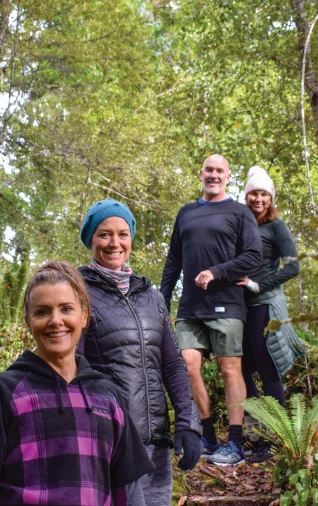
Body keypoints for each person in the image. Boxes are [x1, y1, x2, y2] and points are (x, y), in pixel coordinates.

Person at [0, 261, 154, 505]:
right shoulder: (0, 392)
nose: (55, 321)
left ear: (84, 316)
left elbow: (129, 490)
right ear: (28, 321)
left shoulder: (109, 396)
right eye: (42, 311)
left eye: (66, 309)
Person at [77, 198, 202, 505]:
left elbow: (172, 364)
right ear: (90, 240)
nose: (114, 243)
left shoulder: (152, 296)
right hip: (109, 441)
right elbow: (72, 367)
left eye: (123, 233)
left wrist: (189, 423)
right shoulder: (77, 293)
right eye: (104, 234)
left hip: (155, 443)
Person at [160, 154, 263, 466]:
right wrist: (160, 300)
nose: (214, 175)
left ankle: (234, 443)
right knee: (187, 366)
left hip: (227, 304)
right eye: (209, 170)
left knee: (229, 368)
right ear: (201, 173)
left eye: (220, 171)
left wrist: (216, 272)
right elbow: (173, 261)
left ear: (228, 177)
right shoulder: (186, 213)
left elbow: (253, 256)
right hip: (190, 307)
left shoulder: (239, 212)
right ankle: (206, 434)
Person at [235, 166, 306, 463]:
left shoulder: (276, 226)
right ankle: (256, 433)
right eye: (253, 193)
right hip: (241, 308)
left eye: (264, 194)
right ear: (246, 195)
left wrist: (258, 284)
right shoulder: (239, 222)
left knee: (268, 370)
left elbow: (293, 266)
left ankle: (275, 439)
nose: (258, 198)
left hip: (265, 304)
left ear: (271, 198)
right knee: (241, 371)